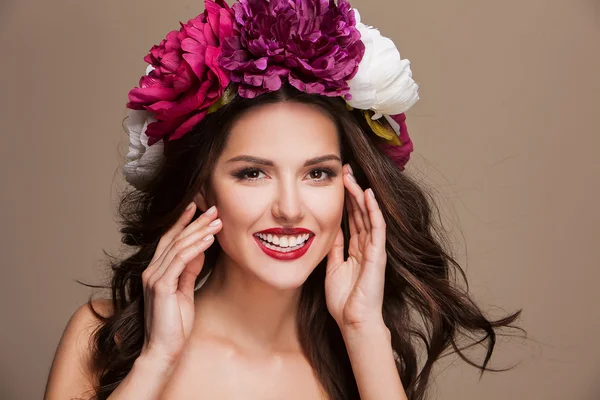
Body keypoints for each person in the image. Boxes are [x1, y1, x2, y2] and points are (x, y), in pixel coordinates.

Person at [44, 0, 521, 399]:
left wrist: (364, 332)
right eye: (253, 173)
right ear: (202, 188)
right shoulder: (102, 338)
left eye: (318, 173)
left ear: (351, 188)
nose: (291, 209)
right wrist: (156, 360)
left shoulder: (361, 357)